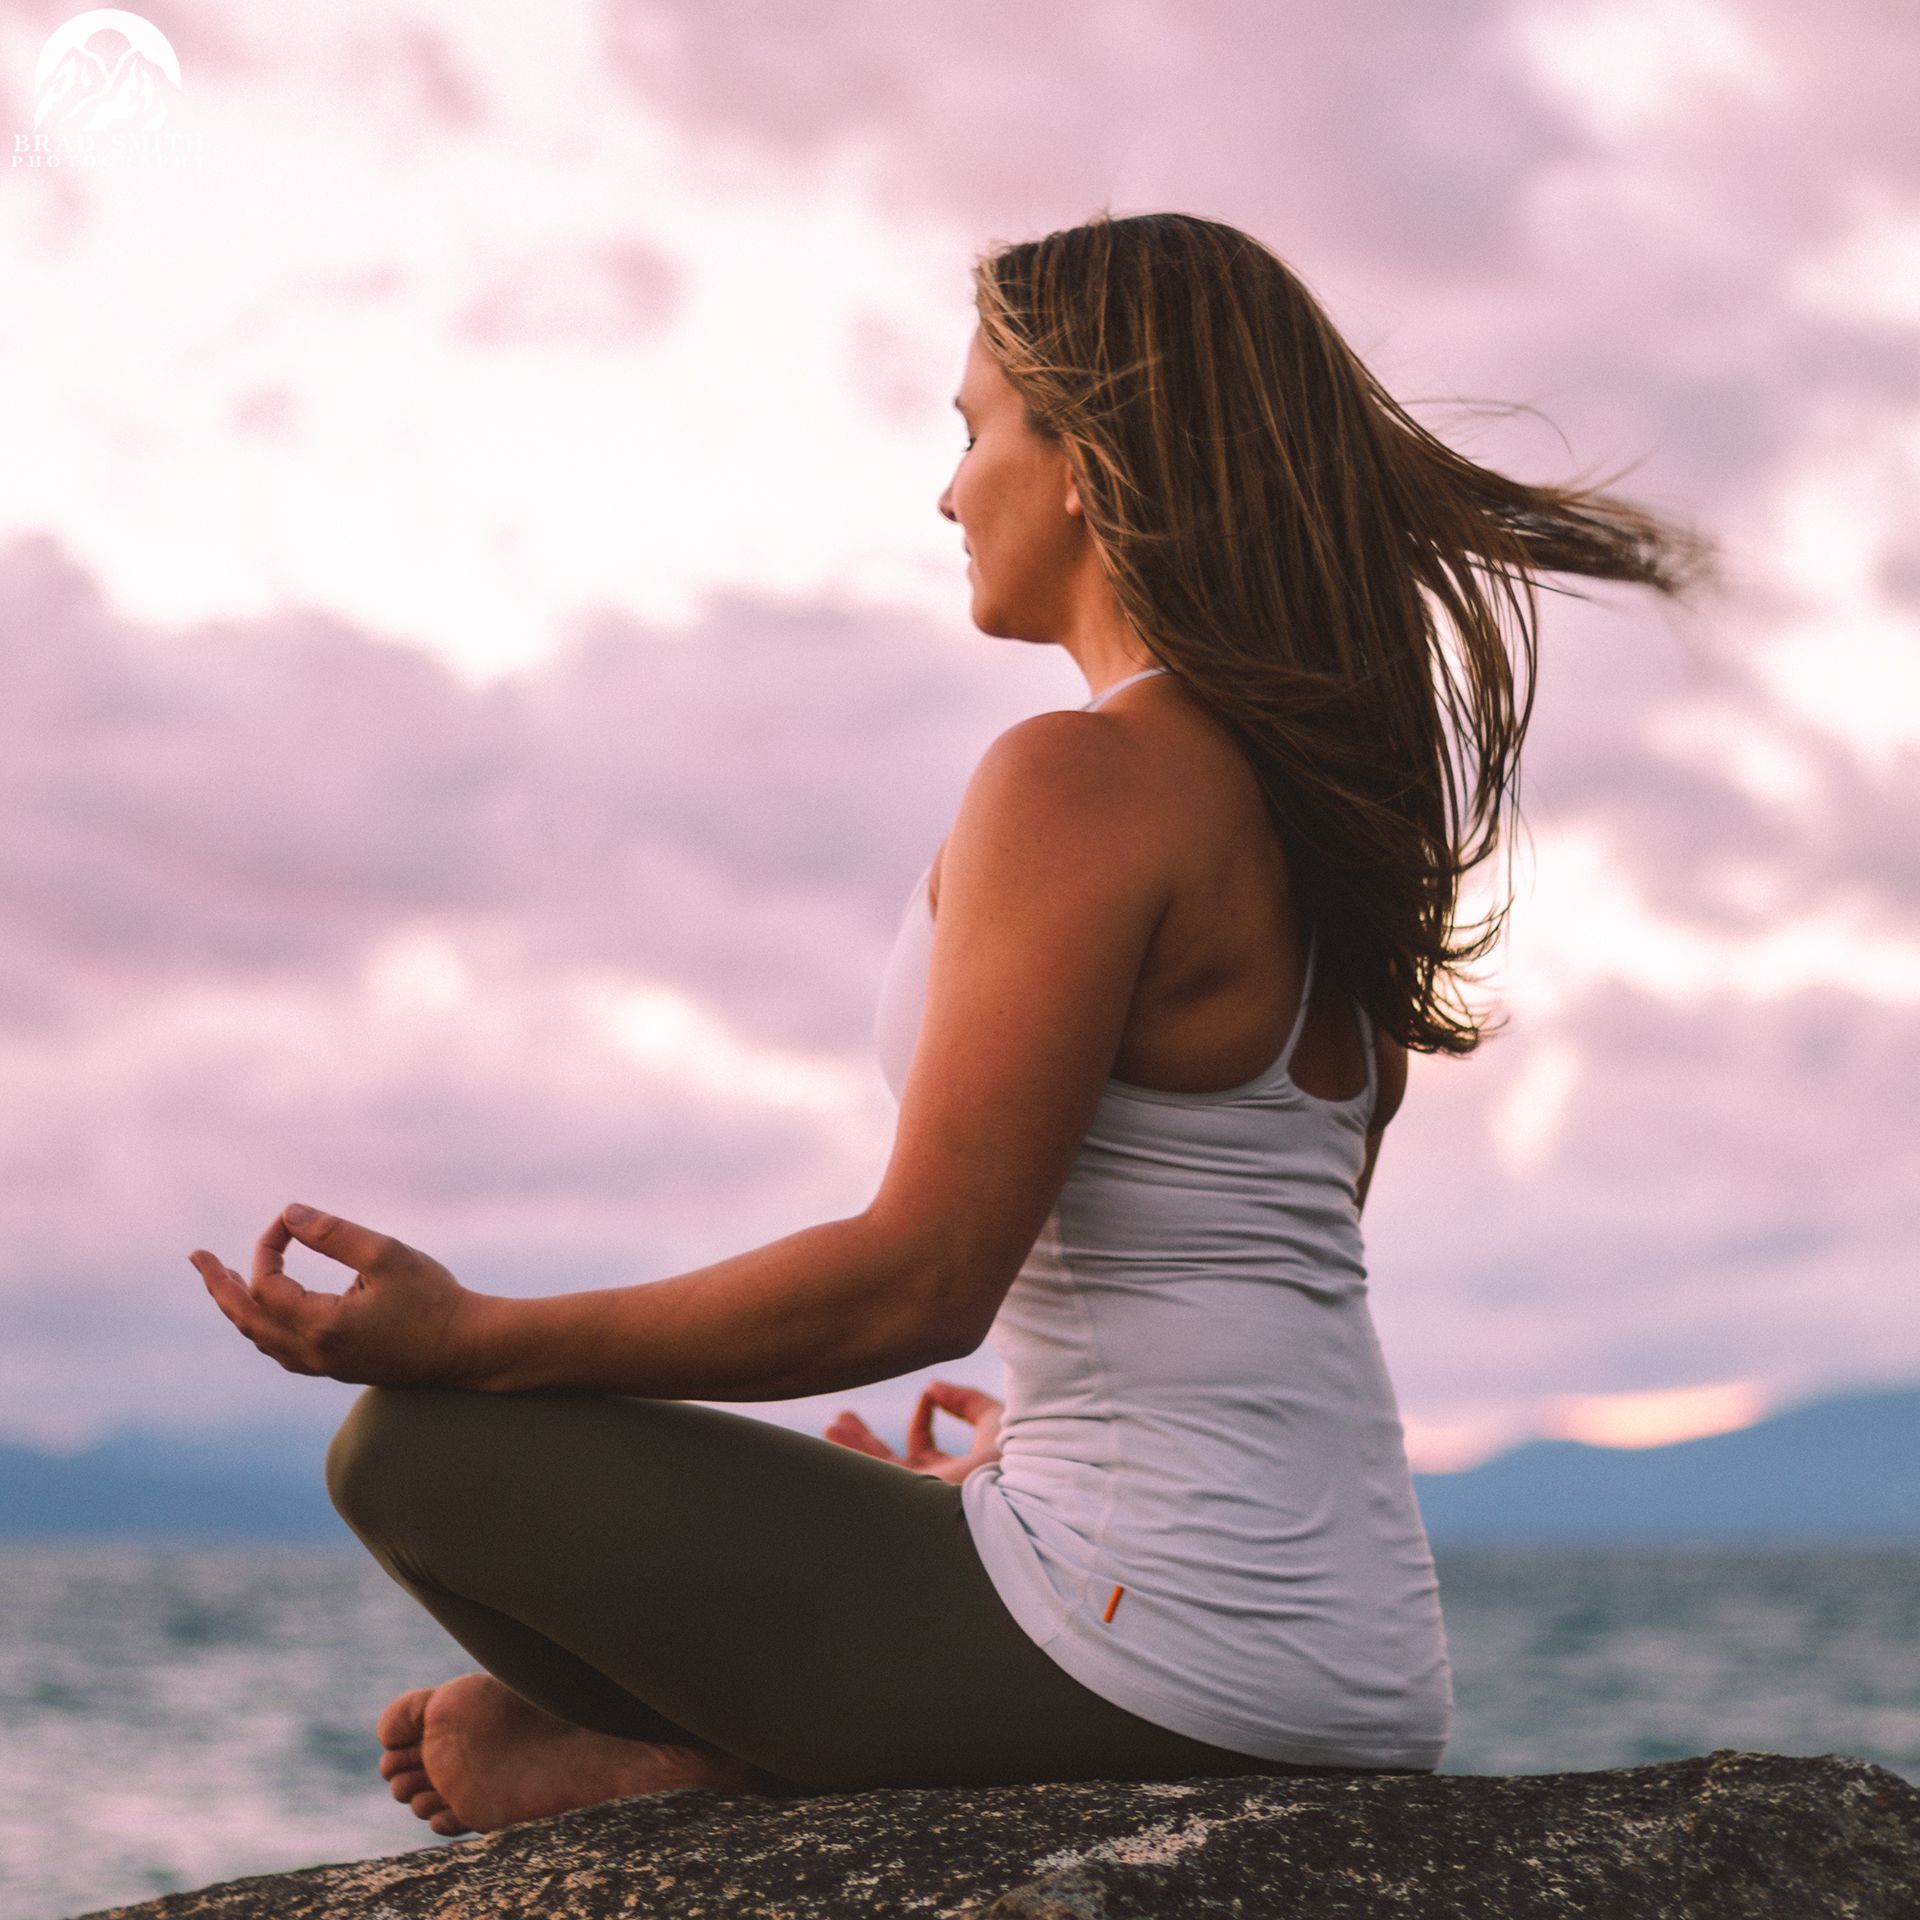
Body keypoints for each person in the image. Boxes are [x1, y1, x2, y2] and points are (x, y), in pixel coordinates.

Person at [189, 209, 1713, 1836]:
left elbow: (920, 1280)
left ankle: (705, 1763)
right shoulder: (1315, 833)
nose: (946, 486)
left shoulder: (1085, 780)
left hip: (1163, 1648)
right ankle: (764, 1713)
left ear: (1086, 461)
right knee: (851, 1477)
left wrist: (473, 1334)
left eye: (973, 426)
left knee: (414, 1455)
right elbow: (1223, 1289)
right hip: (1354, 1658)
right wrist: (994, 1476)